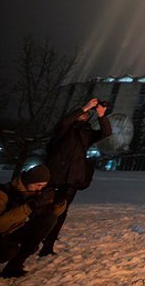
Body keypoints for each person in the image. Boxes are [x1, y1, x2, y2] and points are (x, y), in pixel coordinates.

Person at [39, 98, 111, 256]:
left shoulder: (87, 133)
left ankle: (48, 245)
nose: (84, 115)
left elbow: (106, 133)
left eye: (86, 115)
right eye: (82, 114)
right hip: (54, 176)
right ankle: (31, 240)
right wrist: (85, 107)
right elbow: (65, 122)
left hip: (72, 178)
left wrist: (101, 115)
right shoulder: (63, 129)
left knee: (61, 212)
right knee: (43, 210)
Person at [0, 165, 66, 277]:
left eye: (43, 186)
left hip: (12, 233)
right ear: (27, 181)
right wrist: (30, 206)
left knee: (49, 220)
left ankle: (13, 267)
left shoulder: (34, 194)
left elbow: (51, 215)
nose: (39, 189)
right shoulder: (2, 194)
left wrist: (59, 203)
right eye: (37, 185)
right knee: (8, 251)